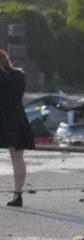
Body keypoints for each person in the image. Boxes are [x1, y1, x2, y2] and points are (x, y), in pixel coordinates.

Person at [0, 50, 33, 207]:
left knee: (17, 158)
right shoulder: (20, 76)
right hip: (17, 119)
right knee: (18, 158)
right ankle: (17, 195)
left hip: (3, 118)